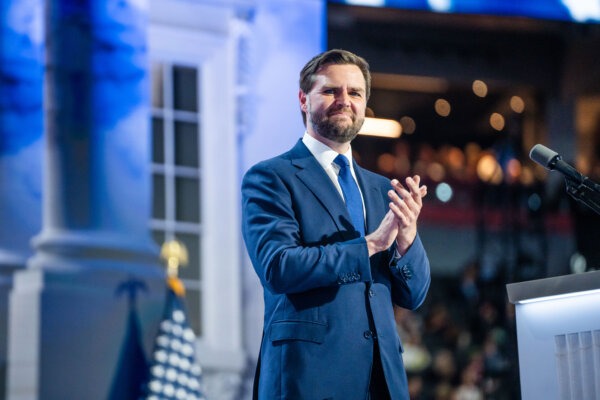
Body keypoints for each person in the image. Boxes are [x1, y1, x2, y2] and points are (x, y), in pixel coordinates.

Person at [242, 49, 431, 400]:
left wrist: (407, 240)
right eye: (331, 91)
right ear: (303, 99)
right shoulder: (271, 177)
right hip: (308, 376)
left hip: (381, 379)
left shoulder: (381, 189)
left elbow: (414, 295)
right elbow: (279, 267)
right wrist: (371, 245)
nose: (345, 101)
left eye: (355, 93)